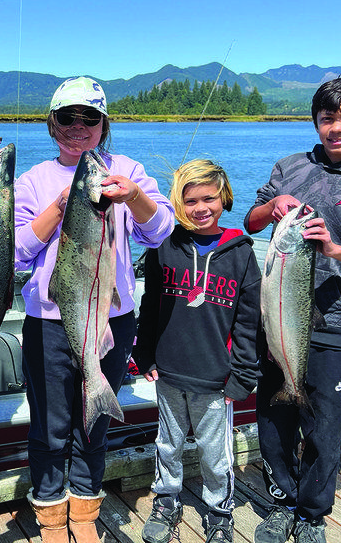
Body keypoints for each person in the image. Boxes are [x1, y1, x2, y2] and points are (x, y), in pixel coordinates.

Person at [14, 76, 175, 543]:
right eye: (67, 117)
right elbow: (19, 252)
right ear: (51, 124)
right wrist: (58, 209)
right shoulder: (33, 180)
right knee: (49, 427)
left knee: (95, 423)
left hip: (112, 319)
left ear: (104, 126)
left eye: (90, 118)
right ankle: (50, 517)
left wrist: (134, 197)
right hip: (48, 322)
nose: (78, 126)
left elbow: (161, 231)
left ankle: (84, 515)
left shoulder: (127, 169)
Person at [244, 70, 341, 543]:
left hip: (339, 322)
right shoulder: (290, 166)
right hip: (278, 317)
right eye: (327, 117)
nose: (336, 127)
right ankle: (282, 501)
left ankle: (312, 514)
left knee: (324, 426)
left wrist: (335, 251)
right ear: (315, 120)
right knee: (273, 419)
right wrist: (271, 210)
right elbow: (251, 222)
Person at [134, 159, 261, 543]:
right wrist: (145, 353)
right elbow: (151, 304)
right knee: (167, 443)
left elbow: (247, 321)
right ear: (177, 202)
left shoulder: (241, 253)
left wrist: (242, 373)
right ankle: (166, 500)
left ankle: (219, 511)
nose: (201, 208)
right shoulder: (164, 246)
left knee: (214, 452)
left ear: (224, 198)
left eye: (209, 198)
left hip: (216, 377)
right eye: (190, 200)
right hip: (169, 371)